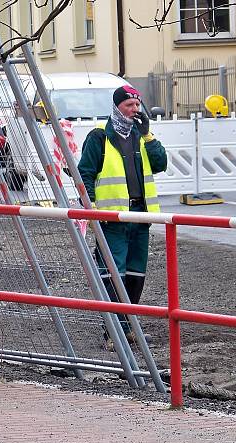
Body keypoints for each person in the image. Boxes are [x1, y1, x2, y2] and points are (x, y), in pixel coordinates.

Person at [77, 85, 167, 348]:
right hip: (112, 219)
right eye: (129, 105)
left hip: (140, 216)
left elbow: (161, 163)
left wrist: (148, 134)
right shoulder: (99, 138)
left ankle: (127, 327)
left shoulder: (141, 136)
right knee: (113, 274)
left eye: (137, 105)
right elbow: (85, 174)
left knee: (136, 275)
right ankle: (112, 333)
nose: (135, 110)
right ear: (117, 107)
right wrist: (90, 208)